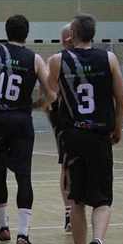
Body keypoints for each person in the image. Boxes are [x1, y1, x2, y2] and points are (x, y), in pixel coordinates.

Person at [47, 14, 123, 244]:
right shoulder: (109, 59)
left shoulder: (58, 60)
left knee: (77, 201)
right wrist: (118, 128)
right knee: (102, 201)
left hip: (73, 136)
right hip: (100, 136)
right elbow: (122, 102)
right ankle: (99, 242)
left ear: (71, 34)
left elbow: (49, 97)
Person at [0, 15, 52, 244]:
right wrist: (36, 105)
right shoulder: (35, 59)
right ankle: (23, 235)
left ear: (6, 31)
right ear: (27, 33)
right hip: (21, 120)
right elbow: (51, 93)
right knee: (24, 176)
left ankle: (2, 227)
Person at [47, 24, 75, 232]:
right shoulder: (57, 61)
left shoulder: (97, 58)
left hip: (91, 124)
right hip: (67, 123)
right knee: (67, 167)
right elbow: (48, 94)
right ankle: (69, 213)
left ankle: (87, 208)